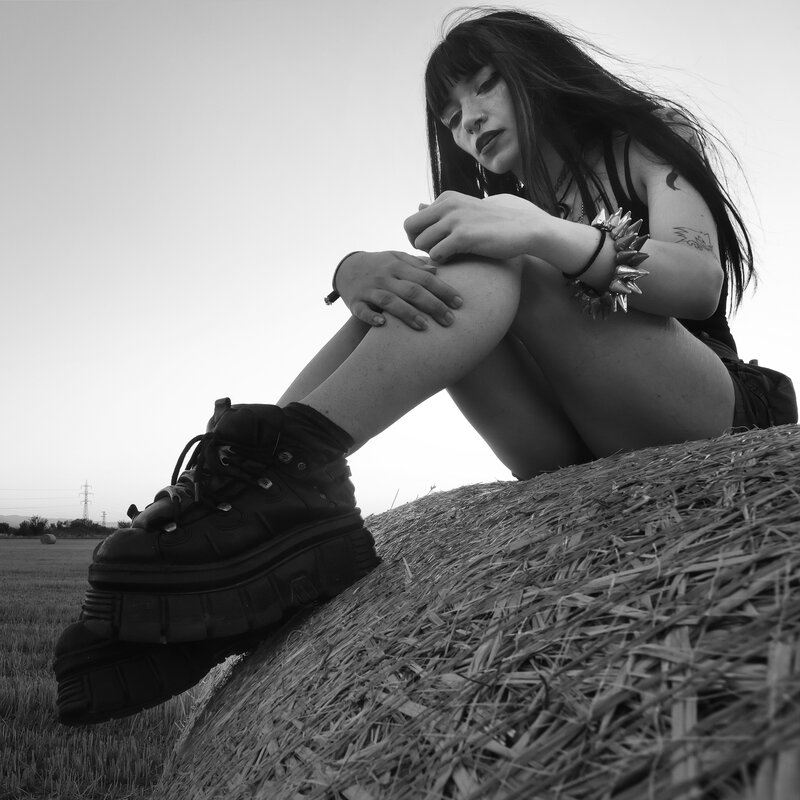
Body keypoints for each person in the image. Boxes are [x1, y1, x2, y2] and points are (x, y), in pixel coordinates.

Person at [53, 8, 795, 724]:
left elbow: (697, 283)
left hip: (705, 410)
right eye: (450, 116)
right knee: (438, 269)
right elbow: (448, 285)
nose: (467, 121)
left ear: (538, 69)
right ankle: (248, 491)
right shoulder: (507, 206)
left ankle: (265, 484)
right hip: (570, 447)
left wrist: (542, 232)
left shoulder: (641, 142)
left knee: (496, 253)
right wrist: (352, 270)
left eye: (484, 86)